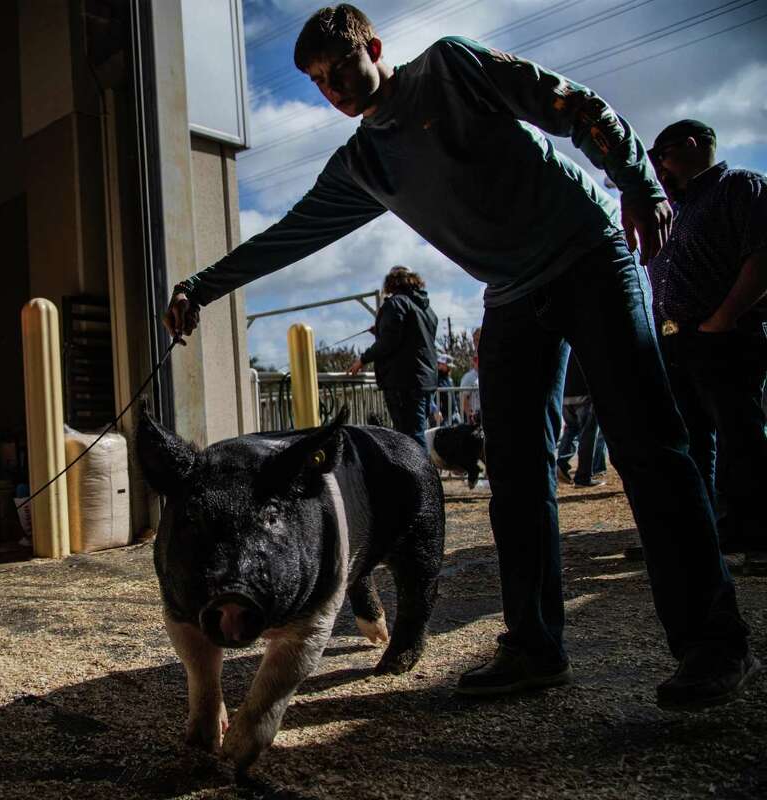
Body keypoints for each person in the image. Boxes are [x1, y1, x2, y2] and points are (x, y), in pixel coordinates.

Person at [163, 5, 755, 708]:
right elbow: (287, 236)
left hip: (589, 256)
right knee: (514, 469)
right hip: (510, 293)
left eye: (342, 67)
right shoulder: (363, 163)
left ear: (374, 48)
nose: (336, 89)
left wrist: (637, 178)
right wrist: (201, 287)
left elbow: (571, 105)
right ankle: (535, 647)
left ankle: (713, 644)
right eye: (320, 81)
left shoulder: (450, 67)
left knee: (650, 445)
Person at [648, 119, 767, 576]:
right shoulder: (673, 207)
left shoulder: (740, 187)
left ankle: (758, 534)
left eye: (664, 156)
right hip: (677, 341)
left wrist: (724, 318)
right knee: (690, 440)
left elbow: (763, 254)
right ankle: (708, 531)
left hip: (724, 335)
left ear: (694, 145)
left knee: (740, 433)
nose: (658, 168)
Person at [347, 266, 438, 449]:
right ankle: (424, 475)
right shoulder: (426, 308)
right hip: (426, 378)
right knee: (417, 433)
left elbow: (389, 342)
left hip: (404, 381)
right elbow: (411, 339)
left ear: (391, 282)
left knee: (410, 439)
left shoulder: (395, 304)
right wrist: (381, 330)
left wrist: (363, 359)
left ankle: (421, 477)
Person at [555, 350, 607, 488]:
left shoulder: (567, 342)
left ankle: (561, 463)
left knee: (572, 429)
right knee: (588, 435)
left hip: (565, 395)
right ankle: (583, 477)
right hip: (585, 393)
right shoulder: (588, 341)